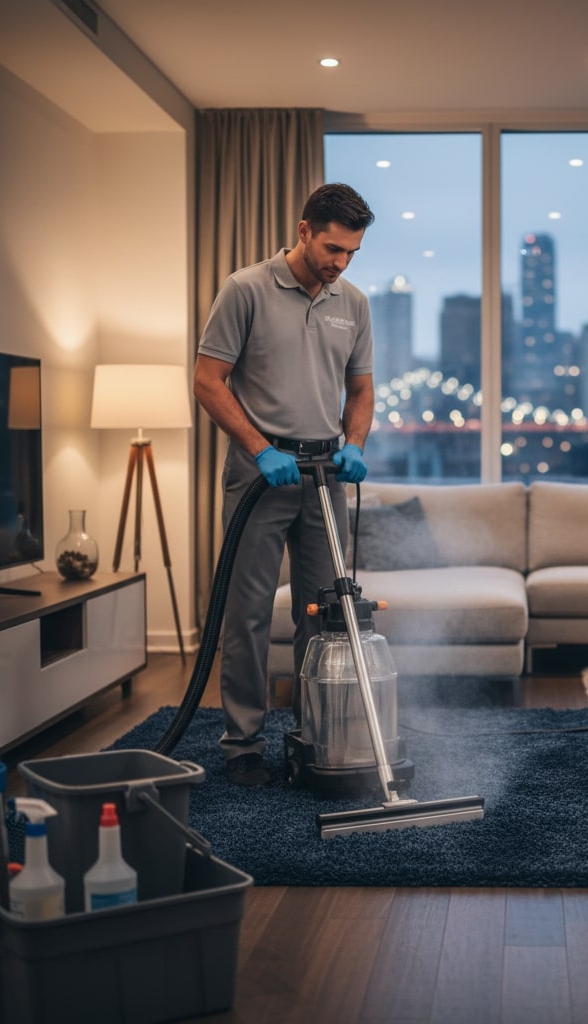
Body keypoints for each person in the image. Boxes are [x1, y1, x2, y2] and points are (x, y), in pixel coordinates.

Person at [194, 182, 376, 786]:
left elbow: (361, 389)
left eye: (351, 253)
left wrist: (355, 444)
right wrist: (259, 448)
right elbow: (208, 381)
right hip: (261, 475)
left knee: (323, 615)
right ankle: (243, 744)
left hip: (324, 477)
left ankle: (314, 735)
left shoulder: (351, 301)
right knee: (246, 616)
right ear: (303, 231)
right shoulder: (246, 288)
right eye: (332, 248)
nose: (340, 263)